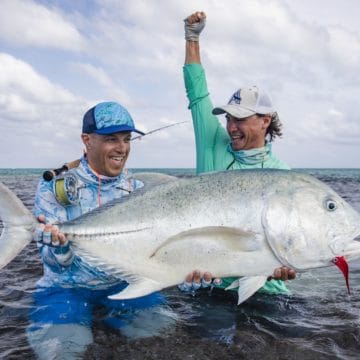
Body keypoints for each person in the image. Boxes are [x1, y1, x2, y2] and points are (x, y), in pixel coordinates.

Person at [28, 101, 173, 358]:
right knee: (63, 350)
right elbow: (53, 263)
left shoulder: (138, 190)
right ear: (87, 140)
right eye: (111, 139)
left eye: (127, 139)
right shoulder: (54, 186)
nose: (122, 148)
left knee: (158, 337)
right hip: (64, 287)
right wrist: (60, 250)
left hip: (123, 284)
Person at [181, 11, 296, 295]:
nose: (231, 127)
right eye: (229, 118)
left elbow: (291, 245)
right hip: (212, 286)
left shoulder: (282, 175)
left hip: (267, 292)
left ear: (265, 120)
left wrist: (287, 265)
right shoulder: (213, 145)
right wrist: (192, 38)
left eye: (241, 119)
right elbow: (197, 93)